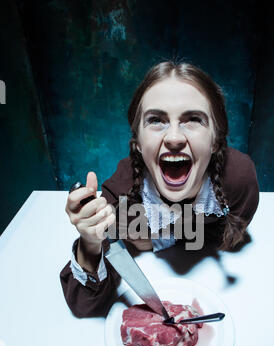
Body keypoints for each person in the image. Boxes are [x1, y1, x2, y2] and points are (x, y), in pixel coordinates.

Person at [60, 60, 259, 319]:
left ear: (214, 140)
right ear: (139, 143)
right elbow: (85, 305)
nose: (174, 138)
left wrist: (165, 236)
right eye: (156, 120)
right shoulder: (123, 199)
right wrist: (90, 241)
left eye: (193, 119)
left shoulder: (238, 181)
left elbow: (232, 236)